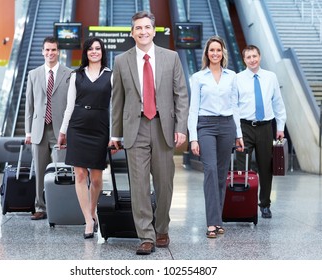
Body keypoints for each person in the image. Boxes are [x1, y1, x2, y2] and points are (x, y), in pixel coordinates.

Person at [109, 11, 189, 255]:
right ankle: (146, 235)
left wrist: (181, 128)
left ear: (154, 31)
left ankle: (162, 227)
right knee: (139, 185)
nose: (143, 32)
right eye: (138, 28)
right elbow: (117, 100)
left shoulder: (171, 58)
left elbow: (181, 96)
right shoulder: (122, 61)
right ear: (132, 33)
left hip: (164, 127)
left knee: (164, 184)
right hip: (136, 128)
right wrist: (115, 134)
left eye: (147, 27)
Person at [187, 35, 244, 238]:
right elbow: (193, 109)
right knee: (210, 170)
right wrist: (193, 137)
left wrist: (238, 134)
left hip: (227, 125)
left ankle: (217, 220)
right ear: (207, 53)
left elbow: (236, 106)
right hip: (206, 126)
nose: (215, 53)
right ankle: (212, 222)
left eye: (218, 50)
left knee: (221, 174)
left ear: (223, 53)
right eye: (211, 50)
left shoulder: (232, 76)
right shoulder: (198, 77)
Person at [57, 37, 112, 238]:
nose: (94, 52)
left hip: (100, 127)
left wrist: (114, 135)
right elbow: (69, 106)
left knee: (96, 177)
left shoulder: (110, 75)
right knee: (80, 175)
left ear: (102, 51)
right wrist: (63, 132)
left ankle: (93, 210)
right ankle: (88, 220)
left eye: (98, 48)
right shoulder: (76, 75)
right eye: (91, 49)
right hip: (77, 126)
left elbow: (114, 108)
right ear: (86, 52)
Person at [236, 45, 286, 219]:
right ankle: (243, 203)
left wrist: (280, 127)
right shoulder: (238, 79)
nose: (252, 60)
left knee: (266, 167)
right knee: (242, 167)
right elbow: (234, 107)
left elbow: (278, 103)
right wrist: (237, 132)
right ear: (244, 60)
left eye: (254, 56)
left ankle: (264, 204)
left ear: (260, 56)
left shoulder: (270, 77)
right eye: (248, 57)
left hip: (265, 127)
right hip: (244, 127)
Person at [25, 36, 71, 220]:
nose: (50, 53)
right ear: (42, 52)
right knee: (40, 170)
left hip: (60, 130)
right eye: (47, 50)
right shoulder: (33, 74)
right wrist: (28, 131)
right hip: (39, 130)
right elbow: (29, 105)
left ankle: (61, 205)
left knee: (61, 170)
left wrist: (68, 131)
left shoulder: (69, 74)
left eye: (53, 50)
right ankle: (40, 207)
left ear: (58, 51)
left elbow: (71, 104)